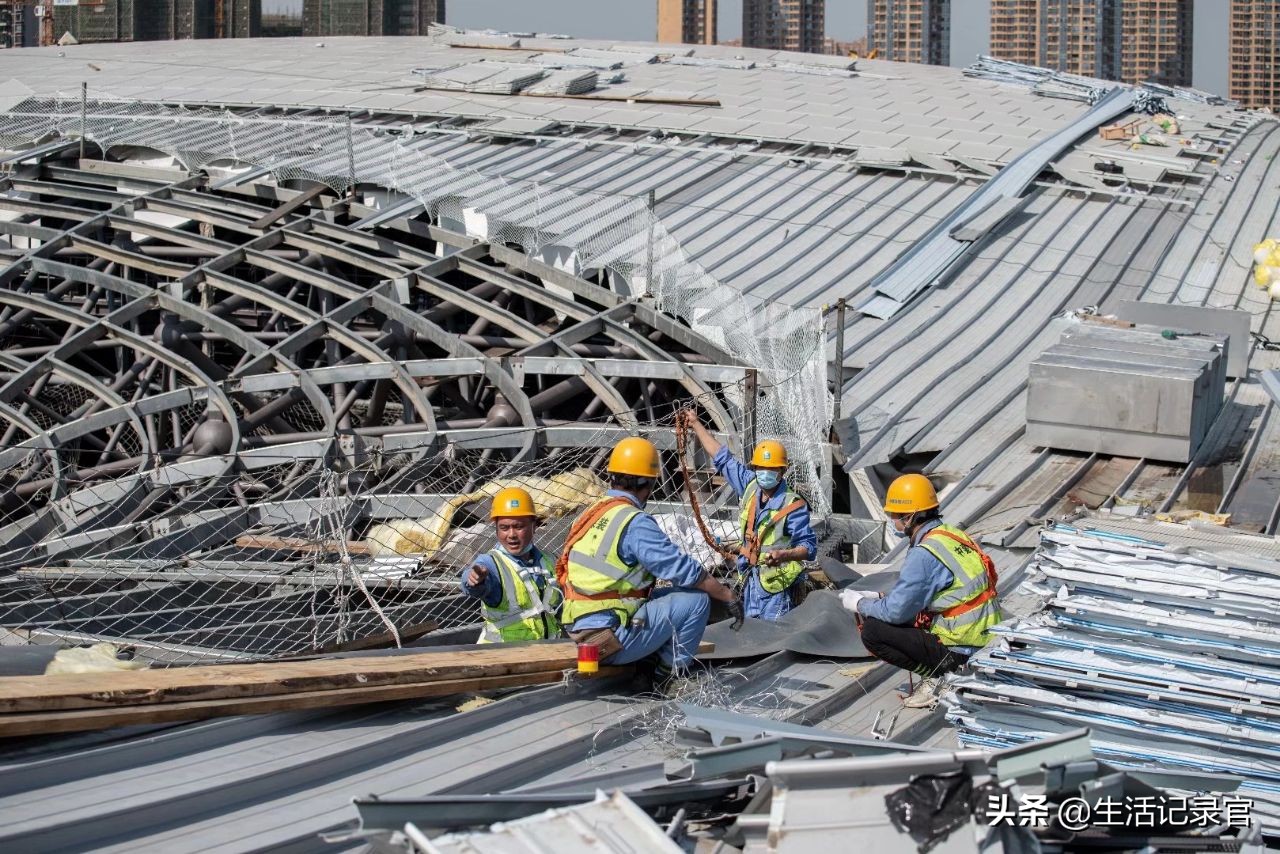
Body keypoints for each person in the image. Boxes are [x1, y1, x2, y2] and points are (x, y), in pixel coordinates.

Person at [558, 436, 743, 690]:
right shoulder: (635, 522)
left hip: (581, 627)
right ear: (648, 483)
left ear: (612, 476)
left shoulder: (594, 512)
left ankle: (648, 661)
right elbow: (683, 571)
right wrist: (725, 594)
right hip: (607, 639)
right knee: (697, 601)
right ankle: (666, 677)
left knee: (663, 594)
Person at [839, 474, 1002, 709]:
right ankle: (944, 672)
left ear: (910, 516)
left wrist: (860, 605)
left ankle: (940, 676)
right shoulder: (951, 535)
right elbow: (938, 593)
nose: (892, 520)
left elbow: (897, 613)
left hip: (960, 647)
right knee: (892, 616)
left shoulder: (924, 553)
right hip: (984, 638)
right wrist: (881, 599)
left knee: (873, 631)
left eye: (894, 515)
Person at [679, 412, 817, 621]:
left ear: (782, 470)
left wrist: (784, 555)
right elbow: (722, 458)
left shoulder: (793, 505)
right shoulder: (751, 485)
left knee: (773, 634)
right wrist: (696, 424)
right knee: (752, 631)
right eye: (760, 468)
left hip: (776, 586)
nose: (764, 473)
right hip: (751, 578)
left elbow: (809, 548)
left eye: (771, 469)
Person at [461, 486, 562, 643]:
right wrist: (473, 580)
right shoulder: (491, 563)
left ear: (534, 526)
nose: (511, 535)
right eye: (504, 528)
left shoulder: (548, 561)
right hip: (501, 657)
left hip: (545, 653)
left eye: (518, 527)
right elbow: (472, 583)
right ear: (496, 529)